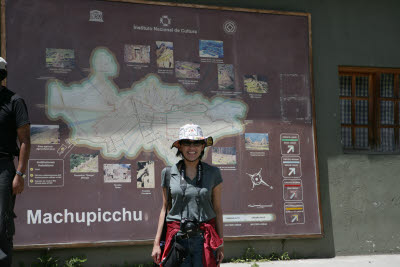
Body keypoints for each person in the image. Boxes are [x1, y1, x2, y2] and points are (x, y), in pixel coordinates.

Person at [152, 124, 224, 266]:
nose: (192, 148)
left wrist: (221, 242)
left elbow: (217, 210)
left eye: (197, 143)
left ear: (203, 146)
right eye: (187, 143)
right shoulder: (168, 173)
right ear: (180, 146)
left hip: (204, 240)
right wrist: (156, 244)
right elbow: (165, 208)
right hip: (177, 239)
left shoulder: (213, 173)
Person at [0, 57, 31, 266]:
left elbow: (25, 141)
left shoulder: (14, 101)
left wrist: (19, 174)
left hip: (3, 168)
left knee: (2, 224)